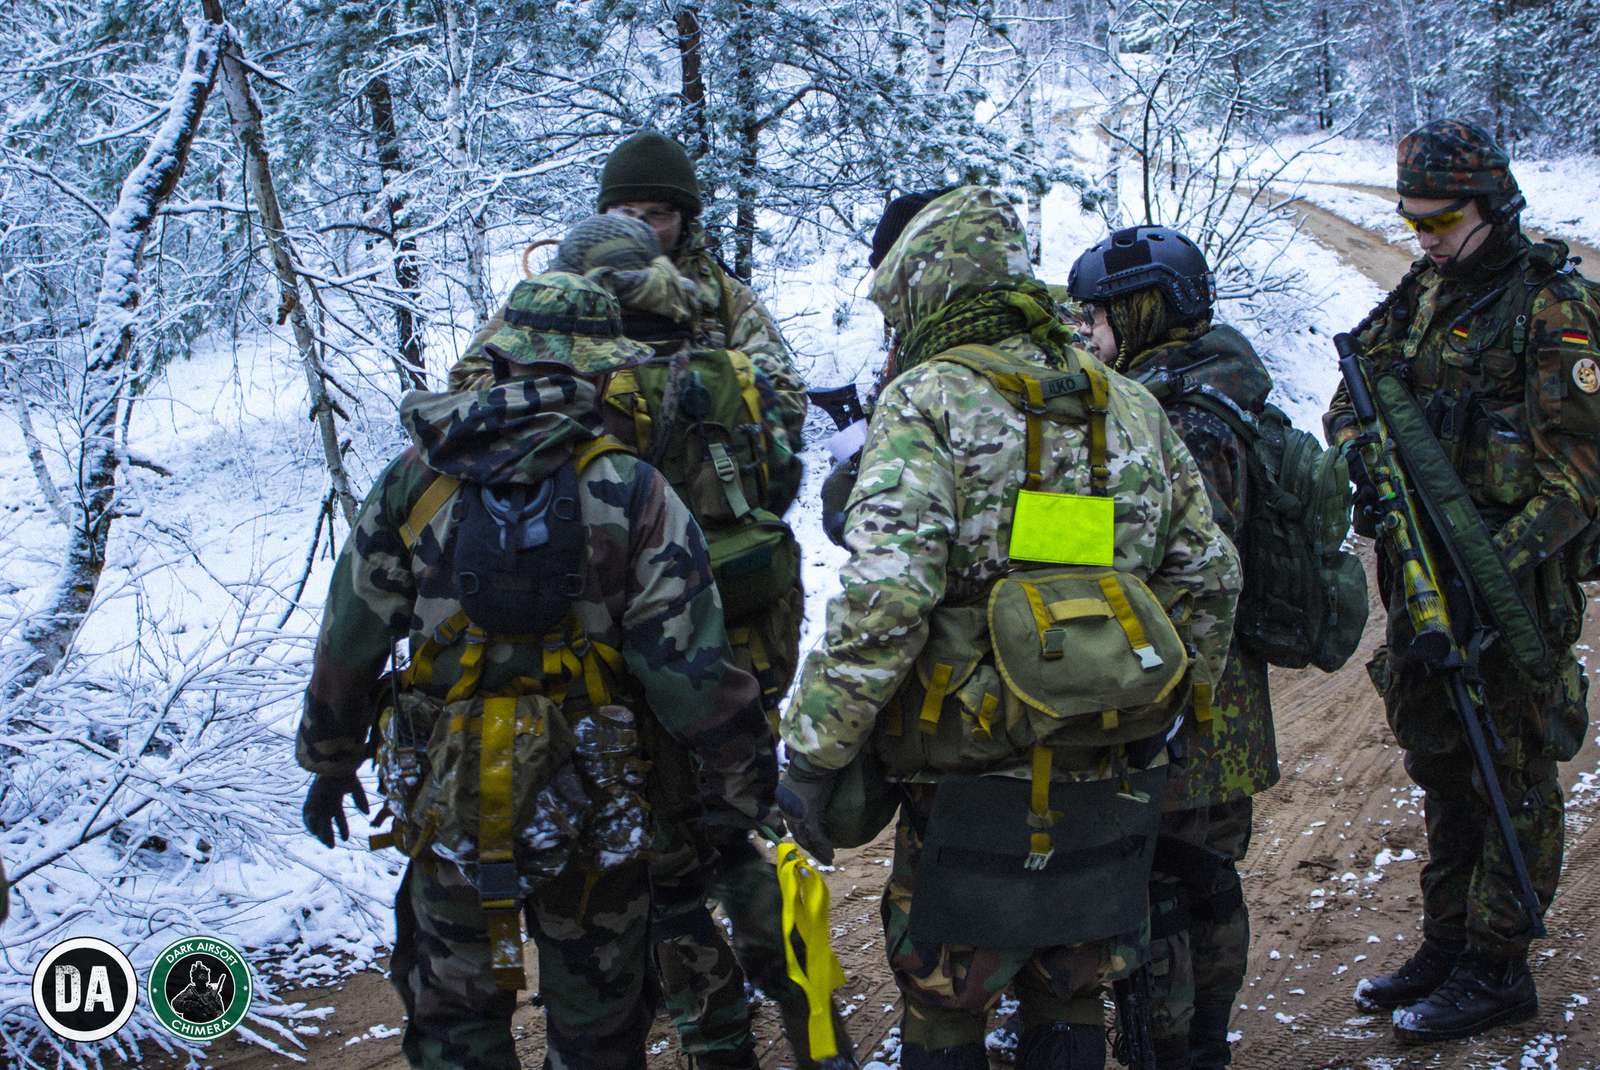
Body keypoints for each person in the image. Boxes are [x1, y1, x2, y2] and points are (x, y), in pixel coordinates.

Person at [778, 186, 1241, 1070]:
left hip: (964, 777)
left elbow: (886, 598)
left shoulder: (929, 401)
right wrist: (1170, 705)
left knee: (947, 992)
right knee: (1072, 983)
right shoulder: (1124, 401)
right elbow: (1211, 572)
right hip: (1105, 758)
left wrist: (814, 753)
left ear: (924, 286)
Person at [297, 272, 778, 1070]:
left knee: (454, 1019)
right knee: (600, 1024)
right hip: (598, 799)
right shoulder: (633, 489)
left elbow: (349, 638)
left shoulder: (413, 480)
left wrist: (329, 759)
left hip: (450, 797)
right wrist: (740, 785)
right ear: (595, 372)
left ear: (500, 361)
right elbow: (690, 669)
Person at [454, 214, 845, 1070]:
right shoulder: (722, 360)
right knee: (735, 837)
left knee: (663, 878)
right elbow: (781, 475)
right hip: (733, 642)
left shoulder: (547, 383)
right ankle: (816, 1022)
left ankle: (718, 1041)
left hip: (619, 672)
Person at [1323, 118, 1600, 1044]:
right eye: (1414, 224)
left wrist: (1494, 569)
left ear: (1492, 206)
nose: (1425, 240)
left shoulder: (1553, 309)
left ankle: (1499, 964)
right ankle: (1447, 945)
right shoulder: (1425, 291)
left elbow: (1580, 476)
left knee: (1509, 770)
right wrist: (1362, 453)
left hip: (1512, 590)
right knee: (1443, 762)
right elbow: (1351, 391)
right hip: (1424, 577)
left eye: (1440, 223)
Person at [1068, 226, 1279, 1070]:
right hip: (1213, 686)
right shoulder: (1201, 386)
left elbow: (1169, 548)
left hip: (1191, 689)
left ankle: (1180, 1048)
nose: (1089, 331)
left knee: (1165, 885)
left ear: (1144, 309)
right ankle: (1196, 1043)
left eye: (1100, 316)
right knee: (1201, 875)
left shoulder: (1185, 412)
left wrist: (1029, 525)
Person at [596, 129, 808, 451]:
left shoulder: (726, 299)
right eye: (626, 211)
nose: (640, 226)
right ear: (604, 215)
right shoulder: (564, 290)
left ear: (684, 220)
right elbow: (492, 376)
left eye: (658, 213)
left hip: (705, 485)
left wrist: (705, 400)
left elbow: (787, 400)